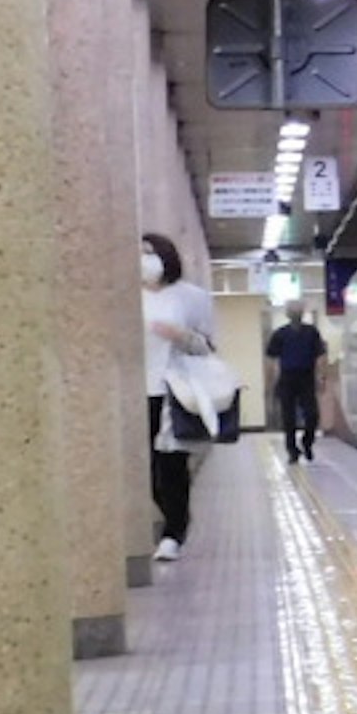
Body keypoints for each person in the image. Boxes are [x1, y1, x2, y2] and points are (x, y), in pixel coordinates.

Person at [139, 233, 215, 560]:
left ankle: (174, 532)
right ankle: (172, 519)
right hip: (136, 393)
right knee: (146, 470)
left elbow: (207, 347)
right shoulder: (127, 297)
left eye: (149, 253)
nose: (144, 260)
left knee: (171, 465)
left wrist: (180, 335)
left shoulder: (190, 297)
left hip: (173, 390)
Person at [265, 303, 328, 463]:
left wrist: (321, 376)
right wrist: (270, 382)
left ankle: (307, 442)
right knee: (288, 418)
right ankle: (292, 451)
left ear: (303, 312)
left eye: (298, 310)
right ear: (287, 314)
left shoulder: (311, 332)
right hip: (287, 378)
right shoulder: (280, 334)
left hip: (306, 377)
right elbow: (271, 360)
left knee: (312, 414)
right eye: (293, 311)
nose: (296, 313)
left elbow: (320, 355)